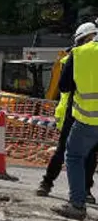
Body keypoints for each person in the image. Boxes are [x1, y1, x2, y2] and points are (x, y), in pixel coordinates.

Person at [37, 22, 98, 202]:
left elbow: (65, 86)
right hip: (77, 112)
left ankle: (79, 195)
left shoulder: (78, 55)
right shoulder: (72, 56)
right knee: (79, 152)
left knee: (72, 152)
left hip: (80, 112)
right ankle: (51, 183)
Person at [53, 29, 98, 220]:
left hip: (88, 120)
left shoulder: (79, 53)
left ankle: (77, 204)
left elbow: (64, 86)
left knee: (74, 155)